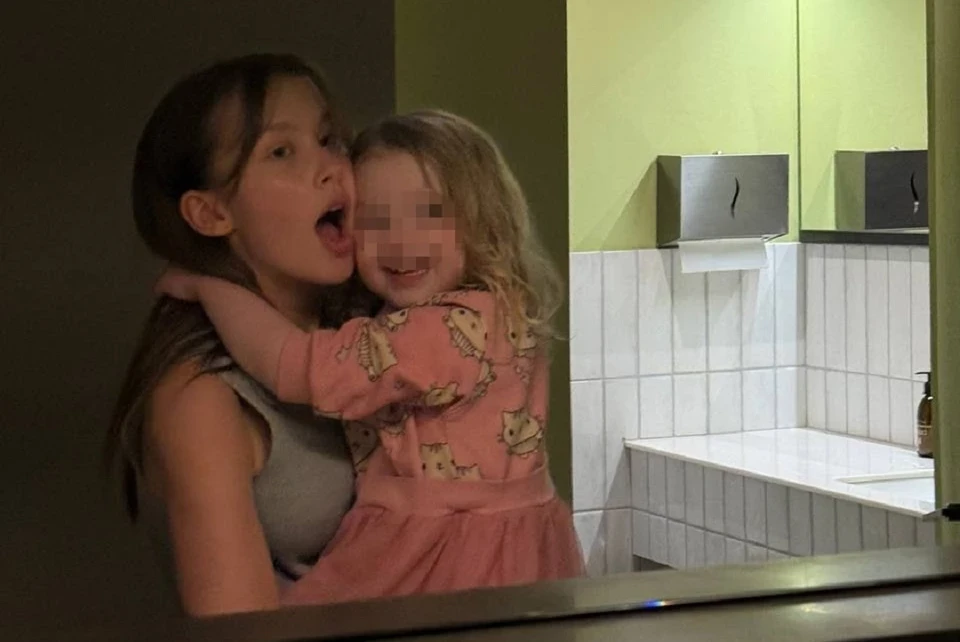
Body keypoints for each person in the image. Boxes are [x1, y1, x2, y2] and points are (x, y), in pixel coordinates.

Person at [157, 109, 585, 606]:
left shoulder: (448, 328)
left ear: (483, 221)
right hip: (508, 553)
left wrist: (209, 287)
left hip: (447, 555)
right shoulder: (491, 310)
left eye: (429, 213)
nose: (400, 240)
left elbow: (297, 366)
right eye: (375, 219)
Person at [105, 53, 378, 616]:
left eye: (329, 139)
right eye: (281, 151)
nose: (330, 168)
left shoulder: (364, 332)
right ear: (210, 214)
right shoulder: (201, 398)